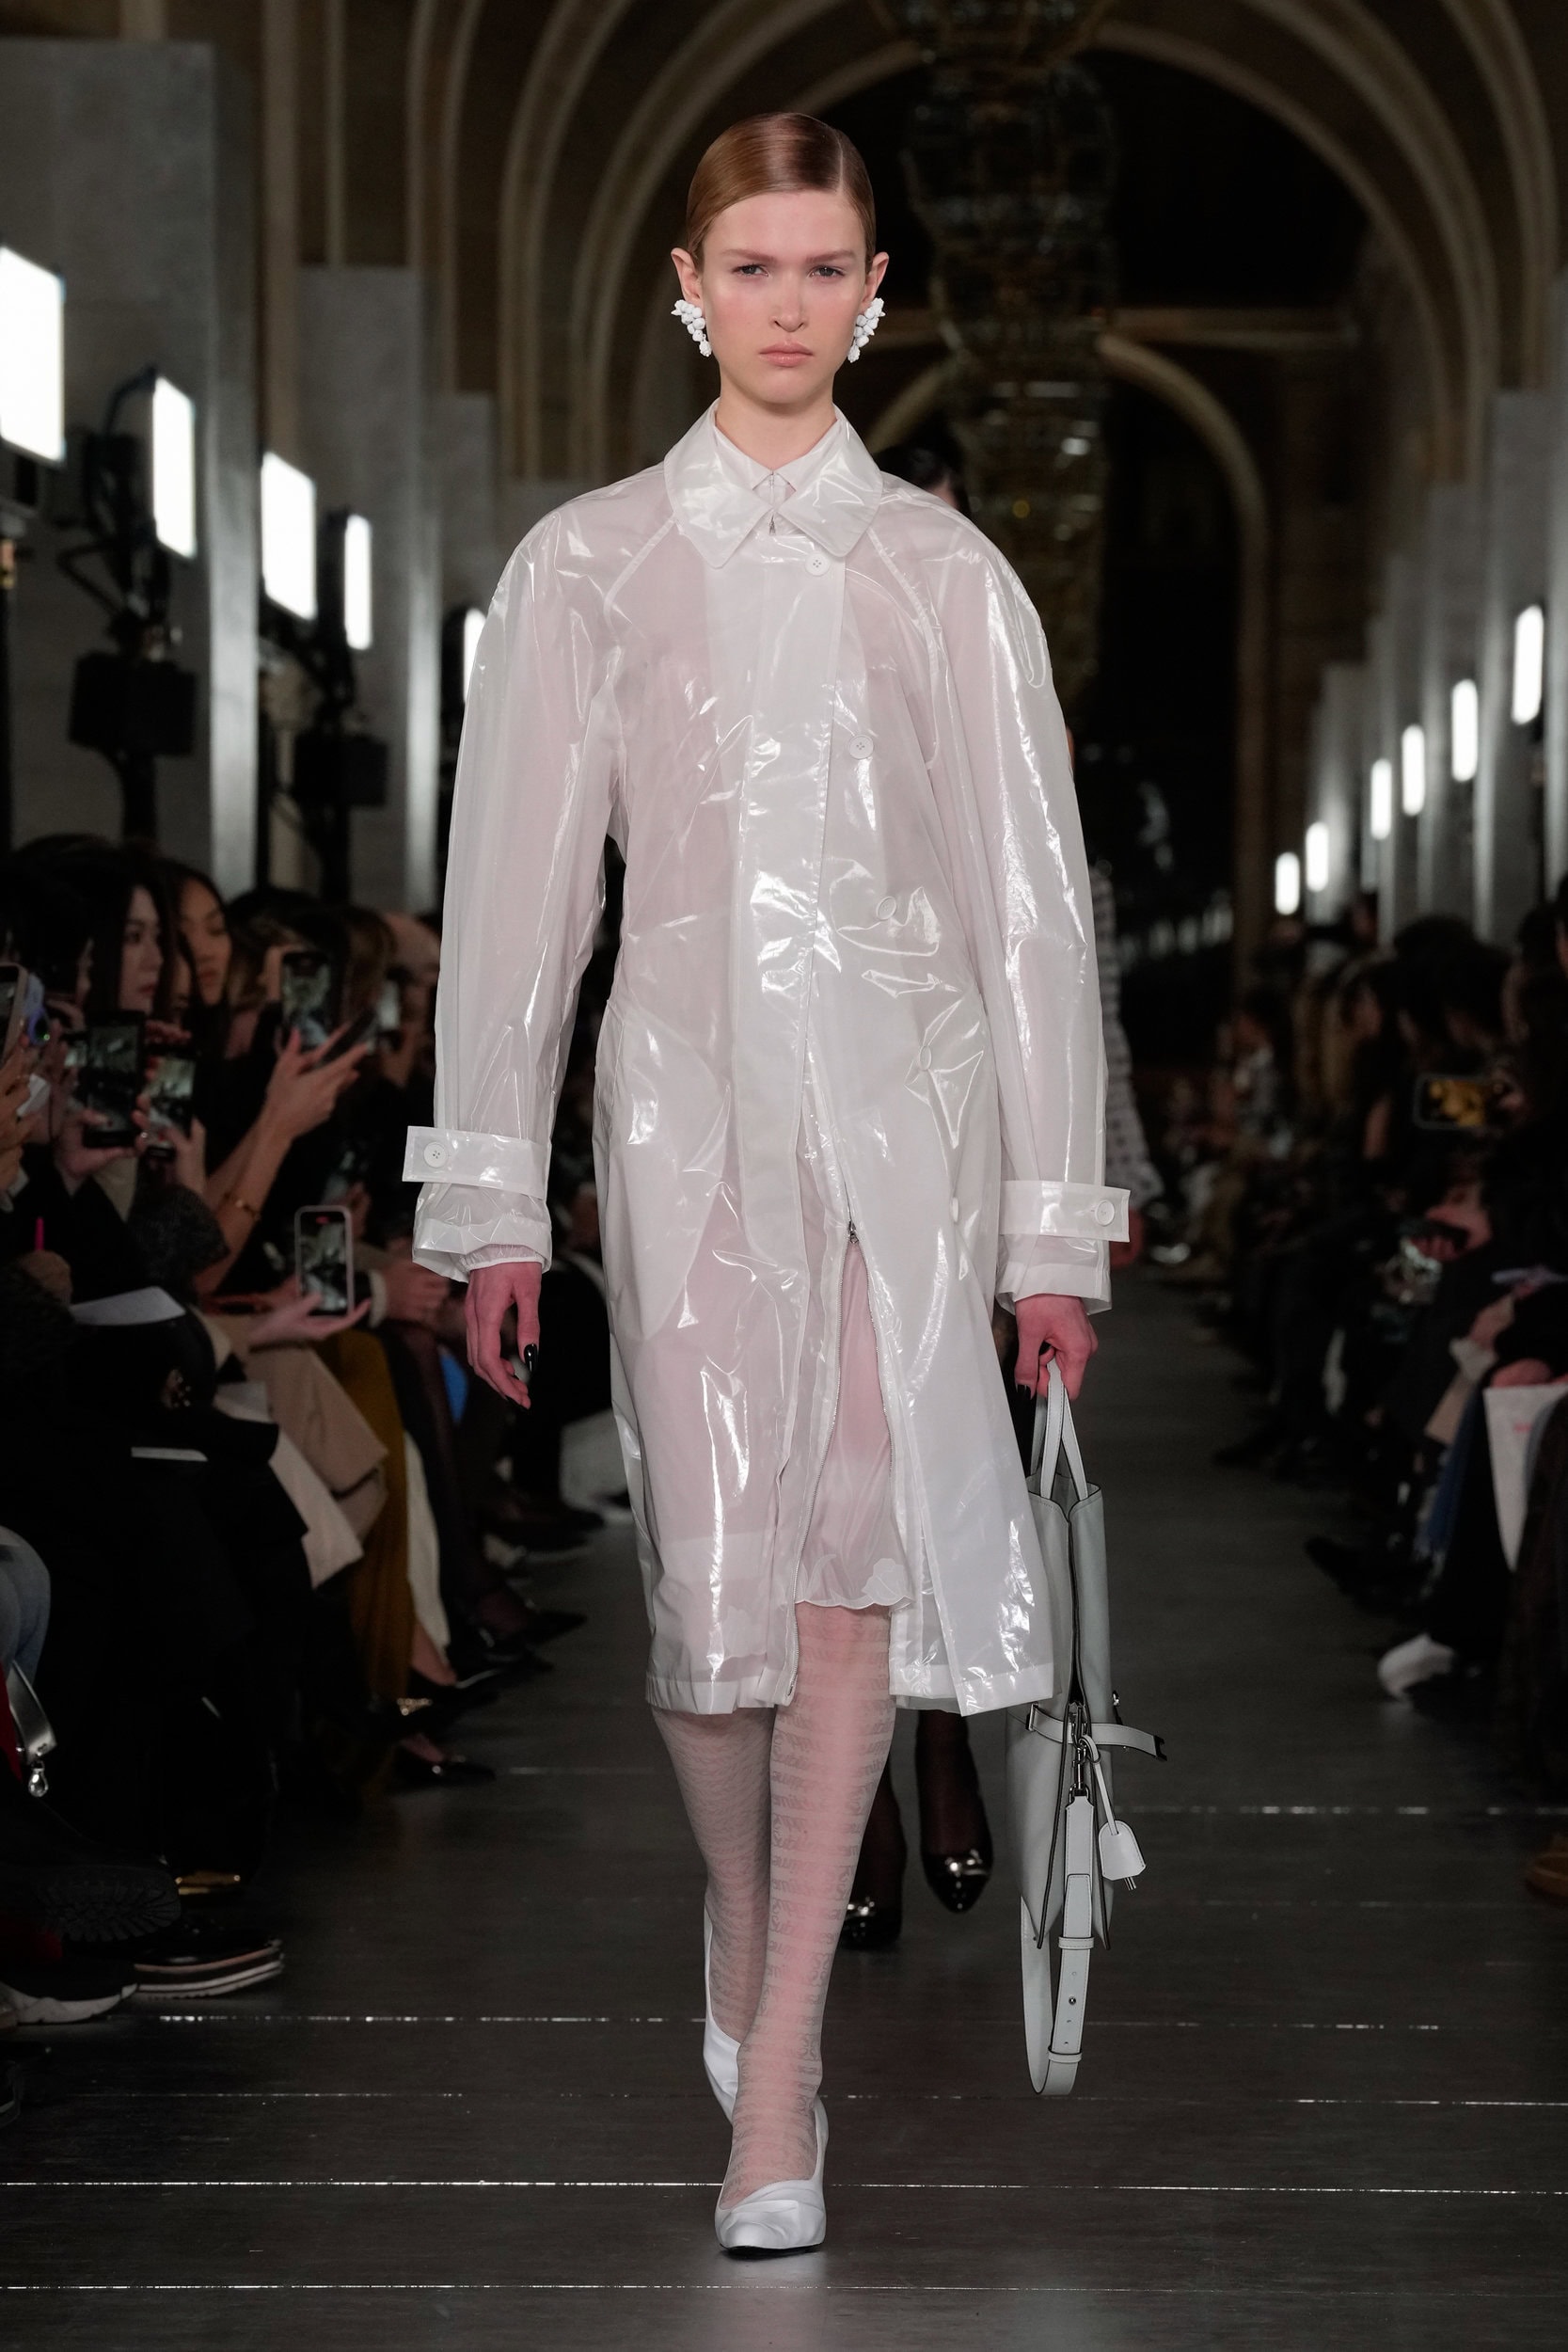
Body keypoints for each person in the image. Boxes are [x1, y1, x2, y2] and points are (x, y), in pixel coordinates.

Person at [409, 112, 1125, 2255]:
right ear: (687, 283)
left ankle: (783, 2074)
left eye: (826, 267)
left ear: (877, 292)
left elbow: (1034, 915)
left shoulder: (949, 576)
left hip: (909, 1118)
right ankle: (741, 1915)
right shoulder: (589, 566)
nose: (788, 303)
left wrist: (1055, 1229)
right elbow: (518, 897)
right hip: (685, 1106)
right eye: (754, 263)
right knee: (704, 1598)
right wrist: (491, 1206)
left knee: (844, 1579)